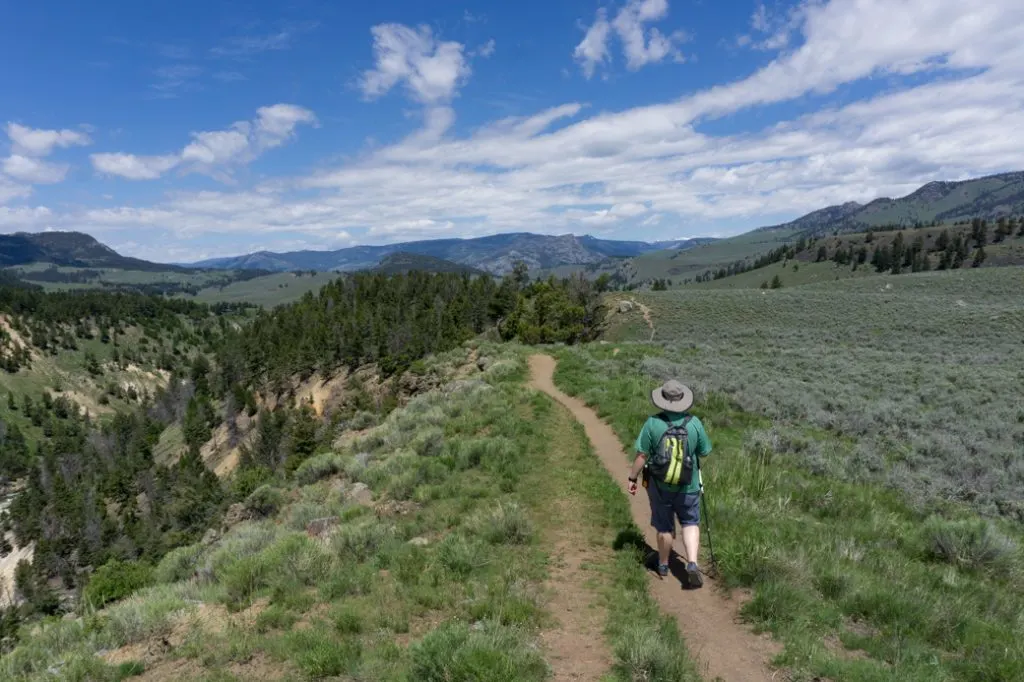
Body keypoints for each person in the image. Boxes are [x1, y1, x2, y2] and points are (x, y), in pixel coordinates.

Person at [627, 379, 713, 588]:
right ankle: (691, 562)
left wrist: (632, 478)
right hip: (689, 486)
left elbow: (641, 455)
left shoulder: (652, 423)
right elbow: (704, 451)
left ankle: (663, 564)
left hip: (660, 485)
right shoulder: (694, 423)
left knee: (664, 526)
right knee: (690, 522)